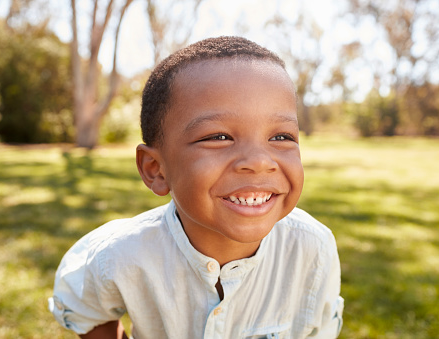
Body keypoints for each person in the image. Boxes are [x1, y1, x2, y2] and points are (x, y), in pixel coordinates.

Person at [49, 36, 344, 339]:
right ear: (156, 169)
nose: (258, 162)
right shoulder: (121, 254)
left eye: (281, 137)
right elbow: (84, 309)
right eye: (218, 137)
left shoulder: (313, 249)